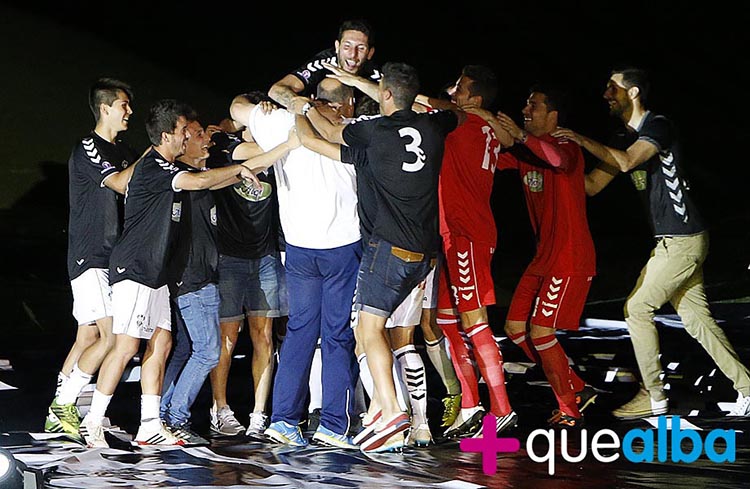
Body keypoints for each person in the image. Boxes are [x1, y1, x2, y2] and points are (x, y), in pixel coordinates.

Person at [553, 67, 750, 418]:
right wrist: (548, 158)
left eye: (612, 88)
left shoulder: (659, 126)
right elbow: (592, 186)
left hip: (682, 240)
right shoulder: (623, 137)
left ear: (633, 93)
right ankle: (747, 388)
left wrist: (580, 140)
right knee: (698, 321)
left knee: (637, 309)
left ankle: (654, 396)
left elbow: (628, 163)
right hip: (676, 241)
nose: (605, 95)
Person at [78, 100, 260, 448]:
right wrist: (239, 171)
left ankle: (150, 424)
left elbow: (204, 182)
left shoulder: (166, 165)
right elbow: (198, 181)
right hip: (135, 269)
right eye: (181, 132)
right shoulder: (154, 167)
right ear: (166, 135)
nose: (187, 136)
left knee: (162, 343)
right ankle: (92, 419)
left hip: (158, 273)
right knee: (126, 345)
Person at [302, 62, 459, 452]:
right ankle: (391, 414)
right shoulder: (436, 126)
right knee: (402, 339)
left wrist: (303, 110)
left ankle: (391, 410)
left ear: (384, 95)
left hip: (388, 250)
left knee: (367, 330)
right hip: (425, 255)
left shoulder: (373, 134)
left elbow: (328, 134)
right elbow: (454, 113)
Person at [231, 78, 361, 450]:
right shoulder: (350, 131)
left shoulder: (279, 124)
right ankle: (334, 426)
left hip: (300, 248)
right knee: (336, 336)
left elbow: (237, 106)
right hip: (341, 247)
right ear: (345, 104)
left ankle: (284, 421)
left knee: (300, 332)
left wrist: (279, 102)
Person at [477, 83, 599, 428]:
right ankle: (575, 386)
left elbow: (557, 159)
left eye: (534, 106)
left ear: (554, 115)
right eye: (525, 105)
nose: (526, 111)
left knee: (542, 333)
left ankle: (570, 408)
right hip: (543, 258)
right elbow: (493, 158)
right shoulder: (528, 153)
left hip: (569, 258)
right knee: (517, 329)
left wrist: (520, 136)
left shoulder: (566, 146)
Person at [414, 66, 518, 438]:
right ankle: (472, 405)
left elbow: (419, 100)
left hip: (466, 234)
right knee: (445, 321)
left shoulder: (467, 124)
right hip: (449, 234)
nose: (452, 90)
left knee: (475, 321)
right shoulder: (482, 127)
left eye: (460, 88)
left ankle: (501, 408)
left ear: (474, 100)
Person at [45, 78, 139, 437]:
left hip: (114, 256)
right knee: (112, 336)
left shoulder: (125, 150)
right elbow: (118, 183)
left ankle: (61, 412)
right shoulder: (88, 146)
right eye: (124, 105)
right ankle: (64, 403)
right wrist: (151, 158)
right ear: (105, 108)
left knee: (87, 338)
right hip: (90, 255)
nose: (129, 111)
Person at [206, 93, 292, 438]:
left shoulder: (277, 148)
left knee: (264, 336)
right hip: (229, 257)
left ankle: (259, 413)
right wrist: (290, 139)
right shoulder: (226, 146)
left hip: (266, 257)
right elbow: (249, 153)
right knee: (227, 338)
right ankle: (220, 408)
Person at [268, 19, 379, 110]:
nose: (352, 55)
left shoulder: (376, 71)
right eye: (347, 46)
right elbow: (276, 89)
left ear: (370, 53)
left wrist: (356, 81)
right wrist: (307, 108)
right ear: (337, 47)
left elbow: (393, 102)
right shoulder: (324, 63)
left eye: (360, 48)